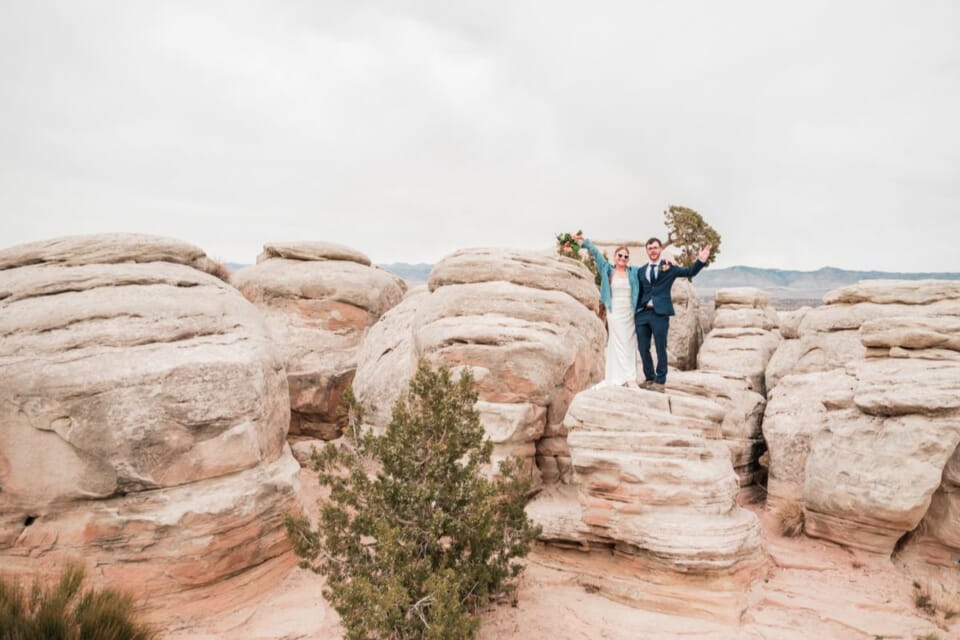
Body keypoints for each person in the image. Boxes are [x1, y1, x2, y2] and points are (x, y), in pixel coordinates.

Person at [635, 237, 711, 391]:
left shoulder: (669, 267)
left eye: (655, 247)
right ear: (647, 251)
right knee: (643, 348)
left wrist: (700, 260)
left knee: (661, 348)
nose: (653, 250)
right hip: (643, 314)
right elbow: (639, 291)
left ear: (660, 249)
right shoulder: (641, 271)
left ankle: (660, 382)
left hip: (660, 314)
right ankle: (649, 378)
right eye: (650, 248)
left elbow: (690, 271)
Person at [574, 234, 643, 388]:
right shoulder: (608, 270)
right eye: (620, 255)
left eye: (626, 256)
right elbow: (596, 255)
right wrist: (584, 242)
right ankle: (619, 376)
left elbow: (648, 270)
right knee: (617, 341)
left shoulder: (633, 272)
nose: (623, 258)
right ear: (615, 256)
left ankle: (630, 377)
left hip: (629, 311)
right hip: (615, 310)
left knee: (630, 342)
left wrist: (663, 266)